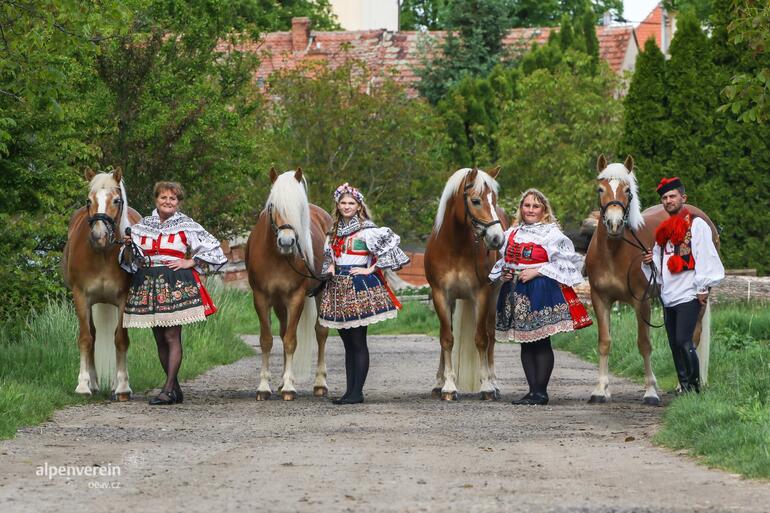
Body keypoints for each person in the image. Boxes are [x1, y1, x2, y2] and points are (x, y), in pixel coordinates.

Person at [120, 182, 227, 405]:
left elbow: (214, 248)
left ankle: (168, 389)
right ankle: (175, 388)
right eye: (164, 197)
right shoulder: (142, 226)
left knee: (171, 336)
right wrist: (129, 247)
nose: (168, 201)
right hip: (148, 283)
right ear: (156, 200)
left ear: (178, 202)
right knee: (159, 338)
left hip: (175, 282)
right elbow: (130, 261)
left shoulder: (187, 225)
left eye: (173, 198)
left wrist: (190, 261)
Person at [490, 189, 592, 405]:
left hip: (540, 290)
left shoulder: (551, 234)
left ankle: (541, 392)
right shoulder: (512, 233)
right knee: (525, 342)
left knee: (541, 341)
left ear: (544, 210)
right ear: (521, 208)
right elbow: (504, 261)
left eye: (536, 206)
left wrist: (537, 271)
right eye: (527, 206)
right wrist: (506, 272)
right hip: (515, 291)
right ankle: (532, 391)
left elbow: (566, 262)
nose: (530, 210)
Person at [319, 183, 410, 405]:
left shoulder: (368, 230)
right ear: (337, 205)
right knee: (347, 343)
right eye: (343, 203)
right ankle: (350, 392)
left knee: (358, 342)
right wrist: (330, 266)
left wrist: (371, 268)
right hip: (338, 288)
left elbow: (391, 251)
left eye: (351, 203)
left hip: (358, 287)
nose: (347, 206)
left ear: (359, 206)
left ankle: (357, 392)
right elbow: (329, 256)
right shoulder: (334, 231)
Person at [642, 177, 724, 393]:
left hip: (689, 293)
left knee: (683, 341)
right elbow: (662, 268)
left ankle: (694, 389)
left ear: (683, 198)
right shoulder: (663, 234)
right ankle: (685, 387)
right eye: (665, 198)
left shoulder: (696, 226)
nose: (668, 200)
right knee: (674, 345)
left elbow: (705, 256)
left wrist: (702, 288)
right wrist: (650, 264)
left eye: (672, 196)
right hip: (669, 295)